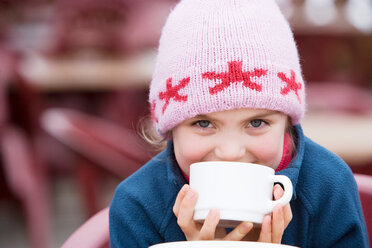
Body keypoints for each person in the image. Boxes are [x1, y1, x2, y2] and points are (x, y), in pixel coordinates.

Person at [109, 0, 369, 247]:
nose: (231, 152)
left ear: (286, 122)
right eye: (203, 123)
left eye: (256, 122)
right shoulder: (138, 206)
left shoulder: (329, 189)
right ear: (171, 129)